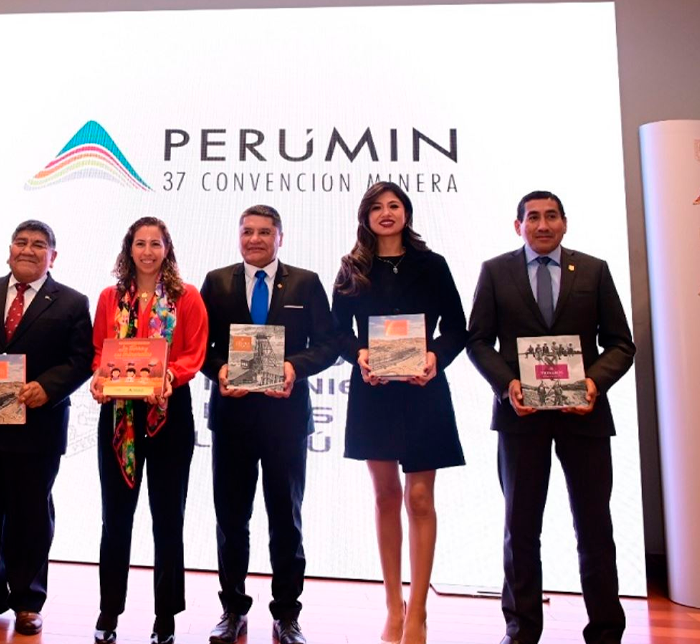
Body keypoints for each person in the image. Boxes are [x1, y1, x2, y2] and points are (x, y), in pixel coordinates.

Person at [466, 191, 636, 644]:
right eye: (533, 217)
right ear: (518, 225)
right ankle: (521, 630)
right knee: (520, 528)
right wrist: (507, 385)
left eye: (551, 216)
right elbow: (478, 341)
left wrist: (593, 384)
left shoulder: (594, 270)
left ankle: (606, 631)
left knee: (594, 526)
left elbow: (621, 344)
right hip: (520, 417)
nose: (542, 225)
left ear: (564, 222)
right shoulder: (495, 271)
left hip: (585, 416)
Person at [0, 220, 94, 635]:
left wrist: (49, 387)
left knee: (31, 516)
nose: (28, 249)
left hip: (36, 426)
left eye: (39, 244)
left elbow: (81, 359)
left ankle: (28, 601)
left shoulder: (72, 302)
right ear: (9, 249)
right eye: (21, 242)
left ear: (52, 256)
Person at [330, 183, 466, 644]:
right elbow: (336, 332)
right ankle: (394, 607)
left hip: (424, 390)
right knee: (386, 496)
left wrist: (435, 357)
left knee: (421, 499)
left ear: (406, 212)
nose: (386, 213)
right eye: (377, 207)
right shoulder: (352, 268)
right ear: (365, 216)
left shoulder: (433, 265)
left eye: (394, 206)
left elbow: (458, 328)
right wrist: (359, 354)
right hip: (375, 393)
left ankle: (419, 612)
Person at [200, 204, 338, 644]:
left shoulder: (306, 282)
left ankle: (287, 615)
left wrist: (294, 367)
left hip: (285, 420)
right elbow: (200, 346)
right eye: (247, 232)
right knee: (231, 520)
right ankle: (232, 610)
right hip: (233, 419)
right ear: (239, 236)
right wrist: (219, 370)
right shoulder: (217, 282)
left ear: (280, 237)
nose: (255, 239)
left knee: (286, 521)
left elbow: (329, 345)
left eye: (264, 232)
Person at [89, 216, 208, 644]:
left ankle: (166, 616)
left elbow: (193, 352)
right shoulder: (110, 298)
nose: (147, 252)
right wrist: (99, 377)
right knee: (115, 518)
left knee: (168, 518)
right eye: (140, 243)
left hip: (169, 413)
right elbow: (98, 351)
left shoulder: (186, 297)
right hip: (120, 417)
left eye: (155, 244)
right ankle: (109, 611)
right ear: (129, 248)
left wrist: (169, 376)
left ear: (167, 249)